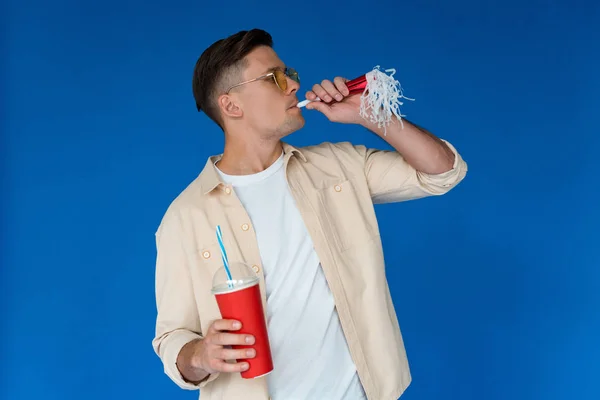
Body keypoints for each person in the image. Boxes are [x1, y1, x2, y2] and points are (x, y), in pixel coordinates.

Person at [152, 28, 468, 400]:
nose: (292, 86)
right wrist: (201, 354)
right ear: (231, 106)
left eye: (290, 74)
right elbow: (172, 338)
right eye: (274, 78)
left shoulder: (338, 166)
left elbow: (442, 172)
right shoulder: (186, 216)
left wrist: (370, 115)